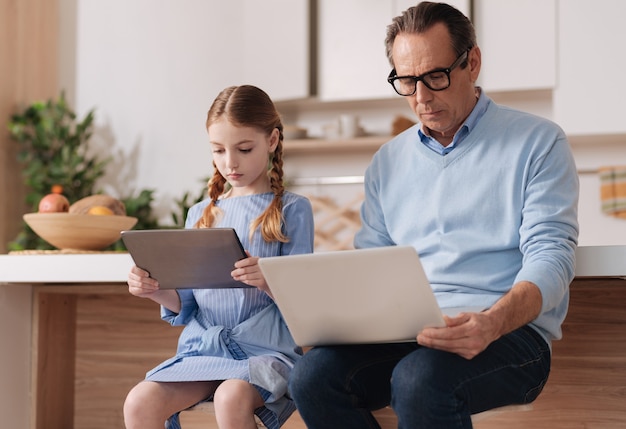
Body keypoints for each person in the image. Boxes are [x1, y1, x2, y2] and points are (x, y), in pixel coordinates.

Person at [289, 2, 579, 428]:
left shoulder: (538, 142)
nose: (422, 98)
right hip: (411, 335)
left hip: (511, 338)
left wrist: (492, 321)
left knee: (418, 379)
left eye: (435, 77)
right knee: (312, 378)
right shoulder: (387, 161)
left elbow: (552, 256)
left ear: (472, 62)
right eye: (406, 82)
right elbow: (372, 264)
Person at [123, 85, 315, 429]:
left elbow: (304, 309)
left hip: (265, 353)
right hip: (203, 351)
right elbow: (189, 303)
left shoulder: (293, 209)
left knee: (230, 397)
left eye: (244, 149)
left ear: (271, 141)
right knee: (139, 402)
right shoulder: (200, 213)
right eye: (218, 150)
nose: (230, 163)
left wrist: (271, 281)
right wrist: (154, 289)